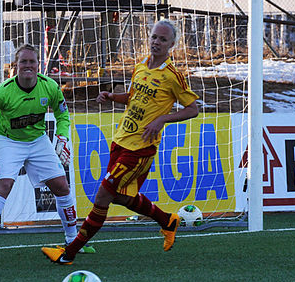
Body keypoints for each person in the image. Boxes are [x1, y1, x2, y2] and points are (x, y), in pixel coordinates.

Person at [41, 19, 199, 264]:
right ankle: (168, 221)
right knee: (120, 197)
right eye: (154, 37)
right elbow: (134, 98)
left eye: (163, 39)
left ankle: (68, 253)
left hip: (140, 148)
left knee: (103, 195)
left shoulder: (172, 76)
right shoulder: (140, 67)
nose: (156, 42)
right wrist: (113, 96)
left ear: (172, 45)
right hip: (121, 140)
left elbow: (192, 109)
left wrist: (162, 120)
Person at [0, 44, 95, 259]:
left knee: (61, 186)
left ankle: (72, 239)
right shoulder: (2, 92)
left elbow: (63, 115)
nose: (28, 65)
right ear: (15, 66)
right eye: (23, 62)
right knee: (4, 185)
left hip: (38, 141)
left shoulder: (50, 87)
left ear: (39, 65)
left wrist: (62, 136)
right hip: (7, 141)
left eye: (32, 62)